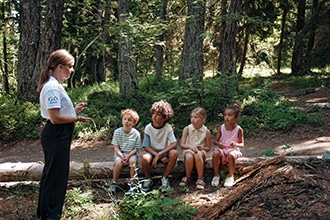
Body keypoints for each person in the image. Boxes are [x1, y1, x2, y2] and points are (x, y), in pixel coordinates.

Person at [36, 49, 93, 220]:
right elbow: (55, 118)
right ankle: (50, 215)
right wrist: (77, 118)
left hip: (59, 133)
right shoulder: (52, 87)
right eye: (70, 66)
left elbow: (59, 112)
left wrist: (73, 110)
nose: (72, 70)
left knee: (56, 174)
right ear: (60, 66)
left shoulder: (55, 85)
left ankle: (48, 213)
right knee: (55, 177)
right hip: (56, 134)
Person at [141, 100, 178, 192]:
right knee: (144, 158)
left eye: (158, 114)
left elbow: (174, 144)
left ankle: (165, 178)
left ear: (165, 117)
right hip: (152, 152)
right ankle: (148, 179)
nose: (154, 116)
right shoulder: (148, 128)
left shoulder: (168, 127)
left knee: (174, 153)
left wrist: (160, 155)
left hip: (164, 152)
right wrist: (157, 156)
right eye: (153, 113)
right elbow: (146, 146)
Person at [211, 104, 244, 188]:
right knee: (215, 153)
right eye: (225, 115)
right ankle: (216, 175)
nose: (227, 117)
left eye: (230, 115)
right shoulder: (221, 128)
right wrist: (219, 144)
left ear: (236, 118)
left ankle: (230, 176)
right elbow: (215, 141)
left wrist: (235, 144)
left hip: (233, 149)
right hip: (222, 149)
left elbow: (242, 144)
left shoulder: (239, 129)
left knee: (231, 155)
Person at [109, 109, 141, 193]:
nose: (126, 122)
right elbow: (116, 148)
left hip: (131, 154)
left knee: (133, 161)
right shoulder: (117, 132)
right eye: (125, 119)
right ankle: (114, 182)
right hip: (120, 153)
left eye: (129, 120)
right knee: (119, 162)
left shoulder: (136, 134)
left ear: (134, 123)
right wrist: (122, 156)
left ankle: (132, 183)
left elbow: (136, 149)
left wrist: (128, 156)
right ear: (122, 120)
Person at [179, 107, 211, 190]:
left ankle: (200, 178)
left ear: (202, 119)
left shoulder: (206, 131)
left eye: (195, 117)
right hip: (189, 150)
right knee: (189, 156)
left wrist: (202, 148)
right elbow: (182, 145)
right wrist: (191, 147)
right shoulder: (187, 129)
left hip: (201, 152)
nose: (192, 119)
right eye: (191, 117)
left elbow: (208, 148)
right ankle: (188, 177)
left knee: (198, 154)